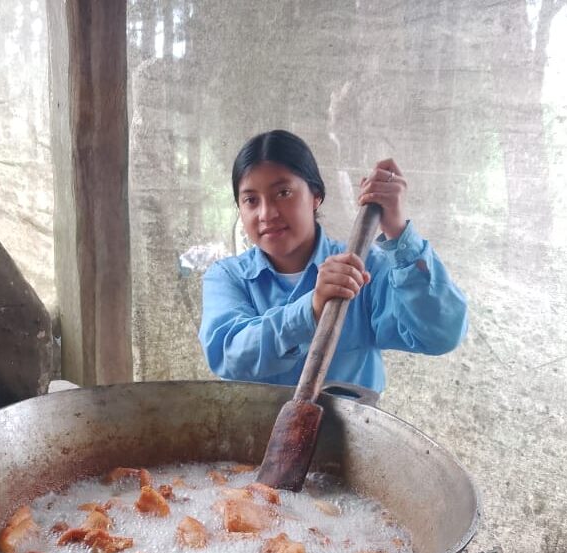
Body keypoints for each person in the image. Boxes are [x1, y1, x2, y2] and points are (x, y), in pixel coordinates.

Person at [199, 129, 467, 393]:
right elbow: (229, 355)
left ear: (316, 196)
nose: (266, 213)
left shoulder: (363, 268)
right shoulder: (228, 277)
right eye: (250, 200)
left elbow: (441, 334)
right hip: (255, 435)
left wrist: (398, 233)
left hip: (350, 435)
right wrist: (311, 311)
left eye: (283, 193)